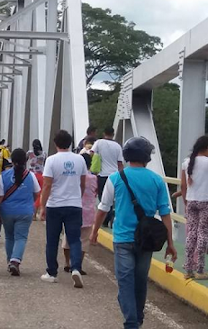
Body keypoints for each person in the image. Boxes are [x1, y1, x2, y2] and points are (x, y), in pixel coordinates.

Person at [90, 136, 177, 329]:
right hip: (147, 240)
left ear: (127, 155)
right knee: (140, 281)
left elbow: (103, 208)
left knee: (125, 282)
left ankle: (131, 321)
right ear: (147, 157)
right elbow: (165, 214)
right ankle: (137, 318)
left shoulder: (115, 178)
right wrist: (170, 243)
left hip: (122, 238)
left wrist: (94, 232)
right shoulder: (157, 180)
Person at [40, 130, 87, 288]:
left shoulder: (51, 160)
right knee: (74, 239)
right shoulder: (80, 159)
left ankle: (52, 273)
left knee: (52, 241)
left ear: (55, 143)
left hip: (55, 205)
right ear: (71, 143)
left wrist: (42, 205)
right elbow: (83, 183)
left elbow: (47, 185)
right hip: (74, 204)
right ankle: (76, 269)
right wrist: (77, 197)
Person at [181, 136, 208, 280]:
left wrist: (186, 202)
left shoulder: (187, 162)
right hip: (207, 201)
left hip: (191, 200)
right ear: (207, 148)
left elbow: (183, 185)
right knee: (203, 234)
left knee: (191, 234)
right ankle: (200, 270)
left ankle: (188, 269)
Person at [0, 148, 40, 276]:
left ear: (11, 161)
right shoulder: (31, 175)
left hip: (7, 211)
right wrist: (30, 202)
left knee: (9, 236)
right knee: (21, 237)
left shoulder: (4, 176)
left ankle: (10, 261)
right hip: (25, 211)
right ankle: (15, 261)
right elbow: (36, 193)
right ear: (25, 161)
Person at [62, 153, 97, 275]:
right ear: (90, 164)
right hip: (87, 212)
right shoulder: (93, 178)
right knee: (83, 240)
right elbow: (96, 193)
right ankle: (78, 265)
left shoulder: (73, 176)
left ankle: (67, 263)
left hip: (72, 209)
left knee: (68, 237)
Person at [91, 127, 124, 227]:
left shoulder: (99, 142)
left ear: (104, 133)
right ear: (113, 134)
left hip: (103, 175)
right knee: (114, 198)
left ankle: (106, 219)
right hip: (115, 176)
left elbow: (91, 154)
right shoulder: (117, 146)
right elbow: (120, 163)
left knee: (103, 199)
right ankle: (111, 217)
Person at [27, 139, 47, 221]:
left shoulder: (29, 153)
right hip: (40, 175)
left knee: (31, 194)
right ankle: (36, 214)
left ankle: (31, 212)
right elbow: (45, 164)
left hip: (31, 175)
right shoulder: (44, 154)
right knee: (40, 194)